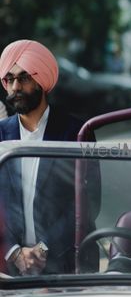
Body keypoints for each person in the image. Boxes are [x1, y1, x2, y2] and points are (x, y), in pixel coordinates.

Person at [0, 39, 100, 275]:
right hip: (10, 269)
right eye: (9, 79)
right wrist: (15, 252)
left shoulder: (77, 132)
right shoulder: (1, 135)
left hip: (67, 265)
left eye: (24, 78)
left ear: (42, 81)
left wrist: (43, 250)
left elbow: (88, 201)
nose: (15, 87)